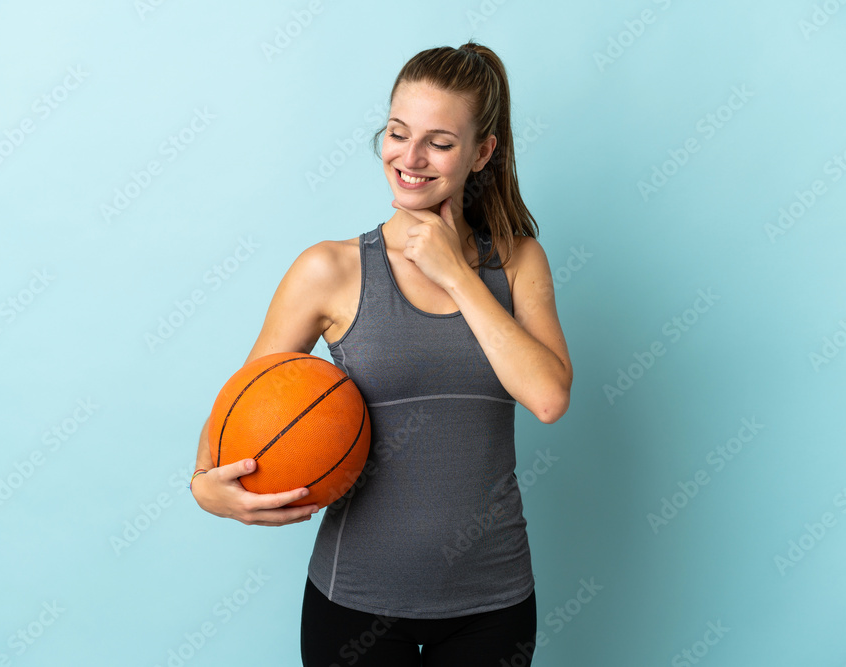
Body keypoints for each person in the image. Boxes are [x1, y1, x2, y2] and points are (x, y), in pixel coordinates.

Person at [190, 41, 572, 666]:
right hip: (355, 603)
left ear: (482, 153)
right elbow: (236, 414)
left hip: (493, 603)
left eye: (439, 143)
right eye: (397, 133)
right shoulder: (329, 270)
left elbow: (549, 398)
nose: (409, 158)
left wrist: (458, 277)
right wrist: (205, 488)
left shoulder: (518, 261)